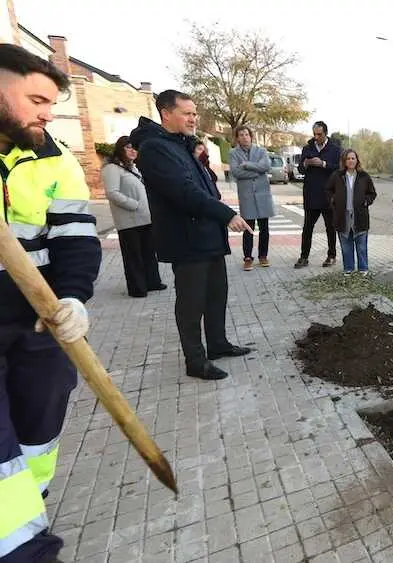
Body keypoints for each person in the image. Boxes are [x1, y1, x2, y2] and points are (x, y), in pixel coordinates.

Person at [0, 43, 101, 563]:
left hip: (36, 320)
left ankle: (28, 513)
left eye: (52, 103)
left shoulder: (54, 159)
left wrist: (73, 297)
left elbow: (77, 236)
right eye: (36, 98)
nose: (46, 112)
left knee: (37, 431)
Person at [130, 90, 253, 381]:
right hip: (187, 238)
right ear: (166, 114)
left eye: (194, 113)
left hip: (207, 234)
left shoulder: (182, 144)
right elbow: (184, 192)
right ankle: (195, 361)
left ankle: (218, 344)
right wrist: (226, 215)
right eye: (187, 113)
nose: (193, 118)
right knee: (191, 302)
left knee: (216, 294)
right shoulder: (155, 149)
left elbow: (204, 184)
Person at [101, 136, 166, 297]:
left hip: (145, 218)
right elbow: (112, 193)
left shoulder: (133, 167)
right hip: (128, 221)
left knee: (149, 253)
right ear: (120, 148)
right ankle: (138, 288)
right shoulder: (112, 168)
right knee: (134, 256)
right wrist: (134, 204)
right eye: (128, 147)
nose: (132, 151)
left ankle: (152, 282)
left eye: (134, 148)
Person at [228, 125, 275, 270]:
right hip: (247, 196)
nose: (244, 137)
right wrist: (257, 171)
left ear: (251, 136)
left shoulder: (261, 151)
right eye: (241, 135)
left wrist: (247, 165)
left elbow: (266, 166)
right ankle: (247, 257)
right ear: (237, 138)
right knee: (248, 227)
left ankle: (263, 256)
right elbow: (236, 172)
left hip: (263, 195)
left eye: (246, 134)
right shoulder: (233, 153)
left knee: (264, 228)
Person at [296, 121, 340, 268]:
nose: (316, 137)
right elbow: (301, 169)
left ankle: (331, 256)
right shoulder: (307, 148)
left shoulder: (335, 149)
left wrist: (323, 164)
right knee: (307, 227)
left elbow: (339, 169)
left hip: (328, 195)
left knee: (330, 227)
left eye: (319, 134)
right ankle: (304, 257)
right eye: (314, 134)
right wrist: (306, 164)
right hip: (311, 194)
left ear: (325, 133)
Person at [327, 149, 377, 275]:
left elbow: (372, 193)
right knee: (346, 246)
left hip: (359, 216)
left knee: (361, 246)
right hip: (342, 216)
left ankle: (363, 270)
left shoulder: (364, 176)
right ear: (344, 161)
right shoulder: (337, 176)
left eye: (353, 158)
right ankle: (348, 269)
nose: (350, 161)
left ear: (357, 160)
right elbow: (328, 190)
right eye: (348, 158)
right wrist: (333, 200)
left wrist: (366, 201)